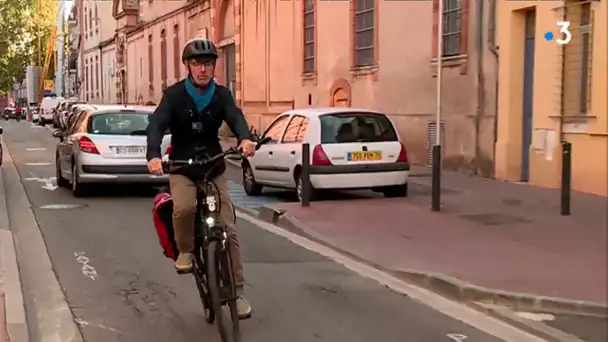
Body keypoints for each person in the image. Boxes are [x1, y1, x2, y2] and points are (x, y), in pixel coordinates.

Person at [146, 38, 255, 319]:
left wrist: (245, 139)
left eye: (208, 63)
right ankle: (186, 251)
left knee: (228, 231)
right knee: (183, 208)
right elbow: (157, 124)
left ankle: (237, 292)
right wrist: (153, 155)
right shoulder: (173, 96)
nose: (203, 69)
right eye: (197, 64)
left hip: (213, 167)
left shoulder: (221, 95)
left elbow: (236, 117)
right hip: (183, 167)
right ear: (188, 67)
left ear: (214, 67)